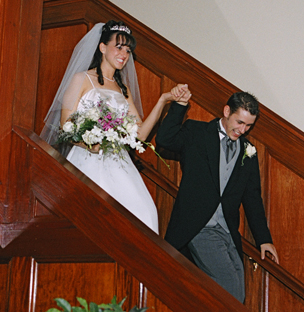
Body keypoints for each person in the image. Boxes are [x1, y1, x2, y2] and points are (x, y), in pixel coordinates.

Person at [41, 20, 181, 234]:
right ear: (102, 47)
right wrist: (90, 144)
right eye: (119, 47)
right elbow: (65, 127)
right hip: (87, 161)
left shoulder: (122, 89)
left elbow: (140, 134)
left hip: (119, 163)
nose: (124, 54)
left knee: (146, 213)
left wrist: (163, 100)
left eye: (128, 50)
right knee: (97, 221)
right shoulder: (82, 79)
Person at [155, 86, 279, 302]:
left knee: (237, 290)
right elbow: (164, 139)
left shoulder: (249, 152)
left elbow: (252, 198)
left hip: (228, 232)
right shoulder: (196, 132)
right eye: (239, 122)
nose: (242, 130)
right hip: (197, 227)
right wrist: (180, 106)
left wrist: (263, 239)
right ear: (226, 111)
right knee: (230, 289)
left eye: (249, 126)